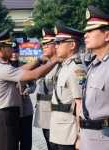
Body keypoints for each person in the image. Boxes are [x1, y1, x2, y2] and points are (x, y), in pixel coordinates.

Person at [0, 28, 62, 150]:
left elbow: (21, 70)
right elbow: (34, 75)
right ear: (0, 49)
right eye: (8, 46)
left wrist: (39, 60)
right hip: (5, 115)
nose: (12, 49)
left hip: (7, 115)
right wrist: (54, 61)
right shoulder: (0, 68)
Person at [49, 22, 87, 150]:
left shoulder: (77, 68)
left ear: (72, 45)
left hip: (69, 131)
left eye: (60, 42)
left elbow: (80, 104)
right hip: (58, 127)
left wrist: (80, 135)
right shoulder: (65, 66)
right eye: (56, 43)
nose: (56, 46)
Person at [79, 5, 109, 150]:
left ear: (107, 35)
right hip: (89, 140)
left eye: (91, 31)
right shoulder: (94, 65)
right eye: (86, 31)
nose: (86, 35)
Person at [8, 41, 36, 150]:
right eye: (12, 52)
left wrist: (28, 90)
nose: (14, 55)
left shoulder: (25, 66)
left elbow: (33, 84)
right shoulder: (4, 68)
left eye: (16, 52)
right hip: (11, 108)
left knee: (26, 139)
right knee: (12, 139)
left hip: (25, 108)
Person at [33, 27, 58, 150]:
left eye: (47, 44)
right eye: (43, 44)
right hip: (44, 110)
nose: (44, 47)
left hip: (55, 112)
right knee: (49, 143)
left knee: (55, 145)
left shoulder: (60, 65)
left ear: (56, 45)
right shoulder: (45, 64)